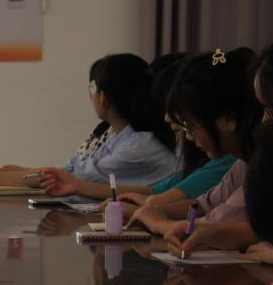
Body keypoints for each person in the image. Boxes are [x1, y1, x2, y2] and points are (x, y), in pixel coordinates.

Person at [40, 53, 235, 207]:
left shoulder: (141, 144)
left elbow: (166, 200)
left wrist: (140, 209)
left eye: (185, 119)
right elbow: (155, 193)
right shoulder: (113, 134)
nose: (167, 118)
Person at [0, 53, 177, 188]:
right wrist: (4, 173)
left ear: (103, 97)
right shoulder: (120, 136)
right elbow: (72, 169)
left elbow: (70, 178)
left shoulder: (138, 145)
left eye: (91, 88)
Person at [131, 47, 262, 237]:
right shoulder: (242, 163)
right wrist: (150, 213)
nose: (189, 137)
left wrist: (159, 223)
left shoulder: (260, 163)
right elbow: (206, 204)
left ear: (227, 119)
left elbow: (217, 224)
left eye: (190, 126)